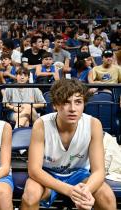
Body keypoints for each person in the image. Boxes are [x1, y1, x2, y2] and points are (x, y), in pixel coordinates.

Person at [21, 78, 116, 210]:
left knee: (107, 196)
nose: (72, 109)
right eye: (66, 102)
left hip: (79, 175)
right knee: (30, 195)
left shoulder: (93, 124)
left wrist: (85, 191)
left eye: (78, 102)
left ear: (84, 104)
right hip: (48, 174)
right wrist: (70, 190)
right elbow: (34, 170)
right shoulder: (41, 124)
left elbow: (99, 171)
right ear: (55, 105)